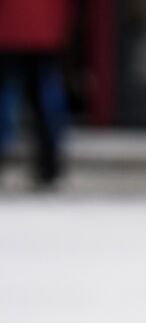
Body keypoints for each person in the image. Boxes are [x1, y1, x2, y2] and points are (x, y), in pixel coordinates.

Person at [0, 0, 71, 190]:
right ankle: (49, 165)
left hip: (9, 28)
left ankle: (46, 164)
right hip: (47, 31)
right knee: (46, 99)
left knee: (7, 97)